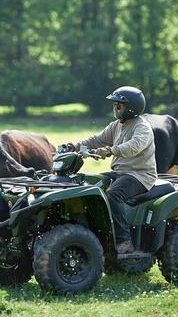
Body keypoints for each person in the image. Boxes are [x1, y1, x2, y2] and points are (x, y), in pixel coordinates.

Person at [64, 86, 156, 254]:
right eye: (114, 105)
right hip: (120, 173)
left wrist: (111, 150)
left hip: (140, 176)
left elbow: (134, 147)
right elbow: (96, 140)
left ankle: (124, 242)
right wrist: (74, 146)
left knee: (113, 194)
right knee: (89, 186)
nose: (115, 108)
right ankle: (99, 234)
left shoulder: (142, 127)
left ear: (131, 108)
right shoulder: (116, 125)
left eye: (118, 105)